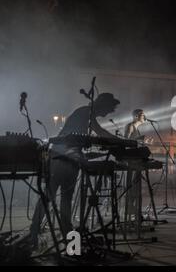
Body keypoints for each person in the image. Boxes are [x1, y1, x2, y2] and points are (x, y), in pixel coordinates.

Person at [30, 93, 121, 247]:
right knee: (50, 195)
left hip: (68, 158)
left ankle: (66, 232)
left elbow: (84, 139)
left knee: (65, 196)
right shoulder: (86, 112)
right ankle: (35, 231)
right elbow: (100, 132)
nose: (109, 112)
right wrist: (119, 141)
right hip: (60, 158)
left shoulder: (86, 113)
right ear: (102, 104)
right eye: (110, 108)